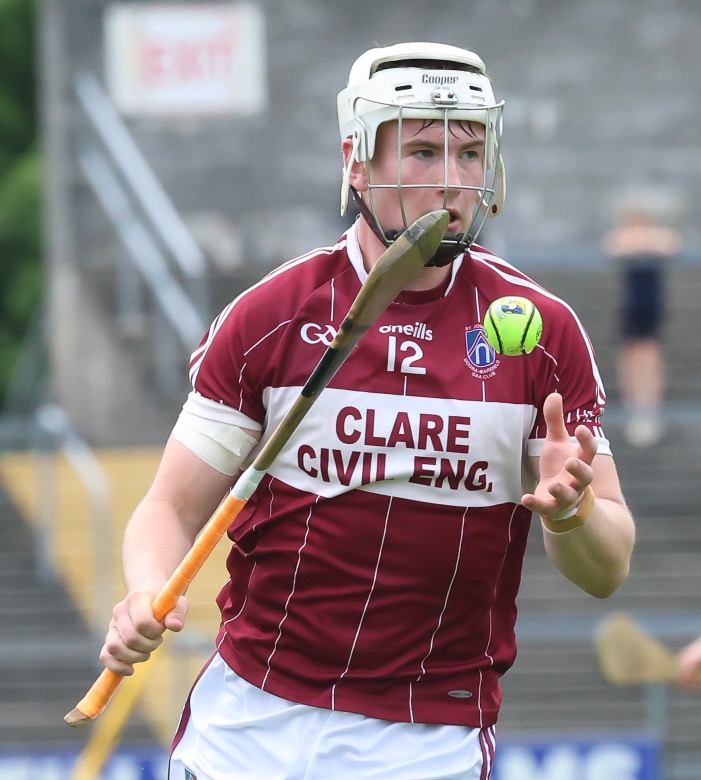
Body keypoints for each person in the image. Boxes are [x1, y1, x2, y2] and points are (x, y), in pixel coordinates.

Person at [99, 42, 636, 780]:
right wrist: (143, 592)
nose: (451, 180)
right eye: (422, 151)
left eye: (469, 153)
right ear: (357, 163)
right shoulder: (272, 317)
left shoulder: (542, 333)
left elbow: (607, 569)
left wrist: (571, 513)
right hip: (249, 727)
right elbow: (170, 506)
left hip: (428, 740)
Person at [602, 199, 682, 447]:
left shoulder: (656, 237)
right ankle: (635, 407)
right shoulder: (625, 238)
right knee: (630, 356)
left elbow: (670, 243)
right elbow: (614, 245)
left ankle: (649, 408)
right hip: (631, 305)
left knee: (649, 356)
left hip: (650, 305)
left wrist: (642, 240)